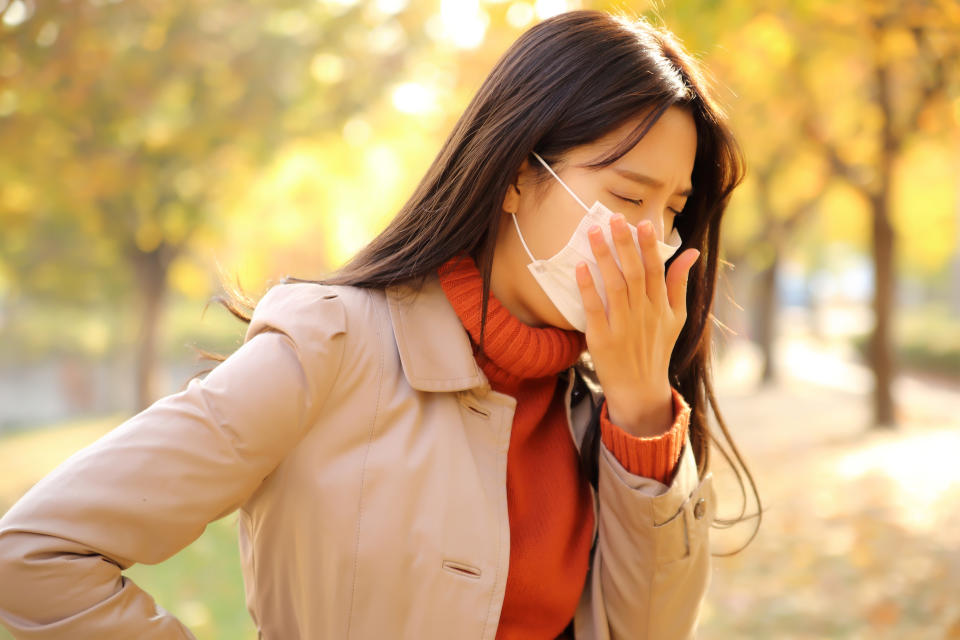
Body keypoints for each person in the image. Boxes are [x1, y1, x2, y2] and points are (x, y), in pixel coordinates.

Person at [0, 9, 753, 640]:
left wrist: (643, 414)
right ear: (520, 176)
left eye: (674, 211)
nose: (653, 239)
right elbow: (36, 555)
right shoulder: (331, 344)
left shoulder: (604, 418)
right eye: (628, 197)